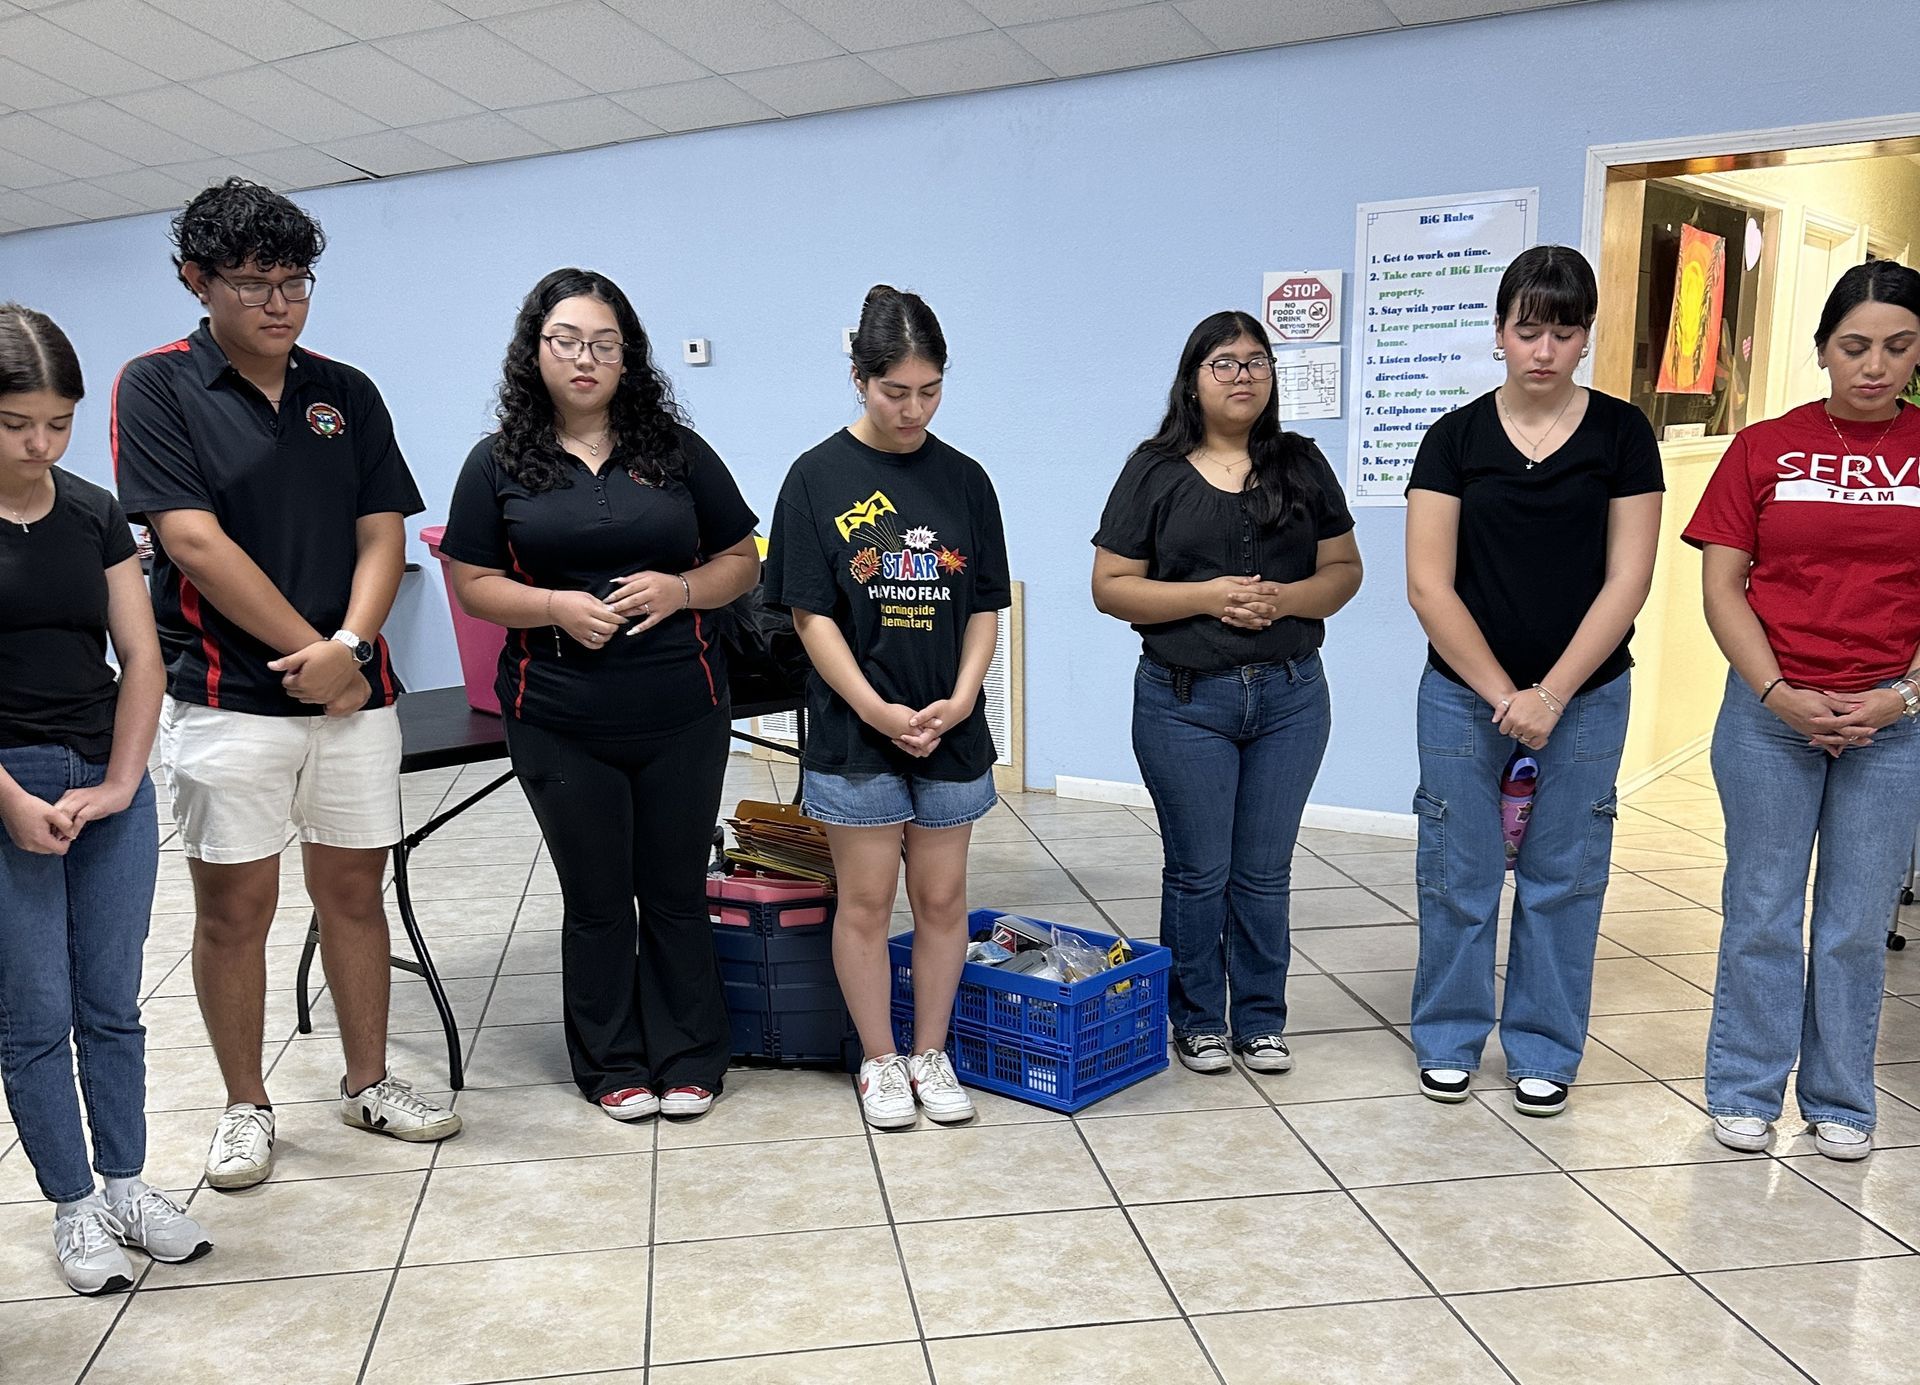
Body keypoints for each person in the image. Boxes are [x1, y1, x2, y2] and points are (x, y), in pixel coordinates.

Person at [112, 178, 459, 1191]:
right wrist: (318, 654)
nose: (280, 303)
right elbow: (191, 541)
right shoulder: (157, 385)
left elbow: (383, 531)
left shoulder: (345, 390)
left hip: (353, 697)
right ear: (197, 280)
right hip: (226, 697)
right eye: (254, 283)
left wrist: (351, 647)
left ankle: (368, 1081)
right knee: (236, 908)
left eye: (296, 281)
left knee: (353, 892)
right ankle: (245, 1105)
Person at [440, 268, 760, 1122]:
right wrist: (553, 606)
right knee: (597, 900)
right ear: (535, 350)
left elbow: (741, 560)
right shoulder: (497, 462)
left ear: (629, 357)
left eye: (604, 344)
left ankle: (690, 1056)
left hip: (683, 709)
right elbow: (471, 582)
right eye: (567, 341)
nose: (585, 358)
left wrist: (681, 590)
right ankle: (612, 1062)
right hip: (559, 718)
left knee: (675, 890)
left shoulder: (677, 451)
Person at [1404, 245, 1662, 1117]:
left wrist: (1551, 692)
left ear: (1586, 336)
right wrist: (1503, 693)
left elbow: (1628, 578)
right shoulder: (1455, 438)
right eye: (1527, 331)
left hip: (1586, 694)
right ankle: (1448, 1037)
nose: (1544, 350)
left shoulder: (1623, 434)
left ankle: (1545, 1047)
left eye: (1563, 331)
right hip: (1461, 694)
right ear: (1499, 333)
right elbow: (1428, 585)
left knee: (1565, 873)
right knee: (1458, 870)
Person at [1686, 260, 1920, 1161]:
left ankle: (1841, 1100)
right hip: (1769, 715)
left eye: (1898, 347)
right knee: (1763, 908)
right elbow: (1724, 587)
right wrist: (1778, 694)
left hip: (1893, 720)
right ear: (1823, 348)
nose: (1875, 366)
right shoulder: (1764, 447)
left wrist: (1900, 696)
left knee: (1857, 921)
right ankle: (1745, 1089)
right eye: (1855, 346)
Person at [0, 304, 212, 1294]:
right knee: (36, 1009)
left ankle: (127, 1184)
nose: (40, 445)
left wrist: (125, 781)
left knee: (111, 1002)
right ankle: (73, 1203)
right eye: (16, 424)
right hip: (8, 784)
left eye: (59, 422)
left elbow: (141, 657)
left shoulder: (92, 512)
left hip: (105, 776)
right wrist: (8, 797)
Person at [764, 285, 1009, 1131]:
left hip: (950, 731)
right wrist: (873, 708)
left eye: (930, 390)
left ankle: (930, 1052)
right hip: (856, 732)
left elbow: (985, 603)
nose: (913, 410)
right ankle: (879, 1059)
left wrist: (965, 695)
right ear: (859, 379)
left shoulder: (966, 480)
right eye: (894, 391)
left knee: (943, 901)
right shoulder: (815, 477)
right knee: (865, 905)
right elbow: (810, 614)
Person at [1091, 311, 1362, 1075]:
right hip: (1185, 702)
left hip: (1291, 698)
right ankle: (1199, 1018)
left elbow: (1344, 570)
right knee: (1200, 870)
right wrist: (1210, 596)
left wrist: (1284, 599)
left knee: (1264, 872)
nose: (1243, 375)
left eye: (1256, 361)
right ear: (1192, 380)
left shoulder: (1301, 463)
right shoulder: (1154, 469)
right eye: (1225, 363)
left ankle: (1262, 1020)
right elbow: (1111, 586)